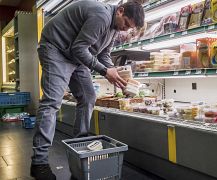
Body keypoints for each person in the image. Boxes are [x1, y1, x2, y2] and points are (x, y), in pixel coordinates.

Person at [30, 1, 145, 179]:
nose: (125, 30)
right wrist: (105, 71)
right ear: (120, 11)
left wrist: (114, 71)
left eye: (129, 28)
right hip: (56, 48)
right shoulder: (101, 16)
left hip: (75, 55)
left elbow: (103, 53)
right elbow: (79, 48)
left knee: (88, 97)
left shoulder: (114, 27)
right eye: (126, 24)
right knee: (52, 102)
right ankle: (39, 162)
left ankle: (79, 147)